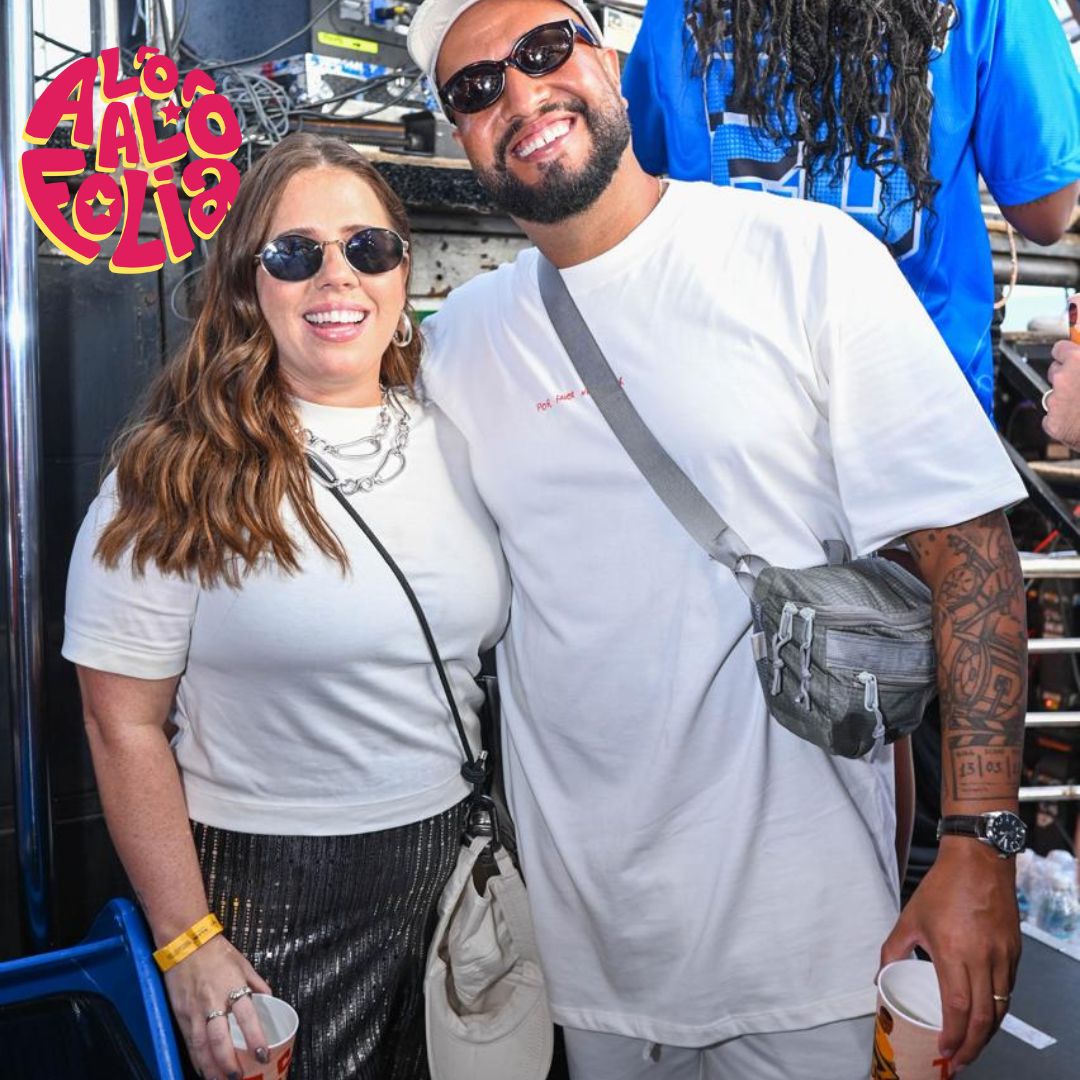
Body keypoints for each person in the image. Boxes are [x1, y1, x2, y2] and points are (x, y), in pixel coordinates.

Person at [406, 1, 1029, 1077]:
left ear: (607, 57)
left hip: (816, 946)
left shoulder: (806, 258)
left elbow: (967, 548)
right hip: (588, 960)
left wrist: (982, 845)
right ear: (459, 131)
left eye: (545, 51)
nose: (519, 96)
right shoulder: (457, 345)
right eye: (475, 87)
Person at [62, 132, 509, 1080]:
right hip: (266, 890)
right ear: (247, 287)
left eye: (367, 248)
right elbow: (119, 724)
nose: (334, 276)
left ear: (401, 274)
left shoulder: (461, 436)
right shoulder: (172, 470)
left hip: (448, 869)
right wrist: (190, 948)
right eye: (294, 253)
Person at [623, 0, 1080, 895]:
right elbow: (1047, 207)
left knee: (722, 713)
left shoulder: (681, 10)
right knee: (899, 699)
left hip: (719, 416)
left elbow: (641, 192)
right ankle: (899, 942)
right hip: (910, 411)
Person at [622, 0, 1080, 419]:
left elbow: (633, 177)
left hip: (726, 398)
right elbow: (1045, 213)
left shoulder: (676, 8)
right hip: (921, 399)